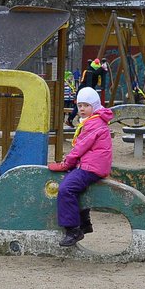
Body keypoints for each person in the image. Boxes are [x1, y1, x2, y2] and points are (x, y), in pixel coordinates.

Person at [47, 87, 114, 246]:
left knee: (66, 189)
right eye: (79, 105)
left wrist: (66, 164)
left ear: (95, 106)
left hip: (92, 167)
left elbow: (80, 148)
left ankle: (73, 230)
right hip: (93, 165)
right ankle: (85, 222)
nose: (82, 109)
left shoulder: (94, 123)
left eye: (86, 105)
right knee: (74, 183)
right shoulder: (95, 121)